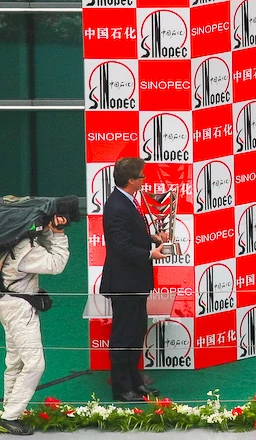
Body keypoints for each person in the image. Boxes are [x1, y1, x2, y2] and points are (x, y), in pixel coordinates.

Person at [100, 156, 169, 402]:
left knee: (136, 331)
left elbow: (131, 235)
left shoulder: (127, 201)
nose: (144, 180)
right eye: (142, 176)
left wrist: (152, 238)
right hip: (124, 283)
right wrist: (151, 253)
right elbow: (121, 247)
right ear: (131, 180)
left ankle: (135, 381)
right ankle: (121, 387)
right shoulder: (117, 206)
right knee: (124, 334)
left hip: (135, 281)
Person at [0, 214, 69, 434]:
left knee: (15, 362)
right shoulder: (25, 250)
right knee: (34, 364)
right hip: (20, 309)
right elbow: (56, 264)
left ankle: (8, 410)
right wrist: (59, 234)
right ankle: (10, 416)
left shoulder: (9, 243)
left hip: (7, 304)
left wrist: (47, 231)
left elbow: (41, 246)